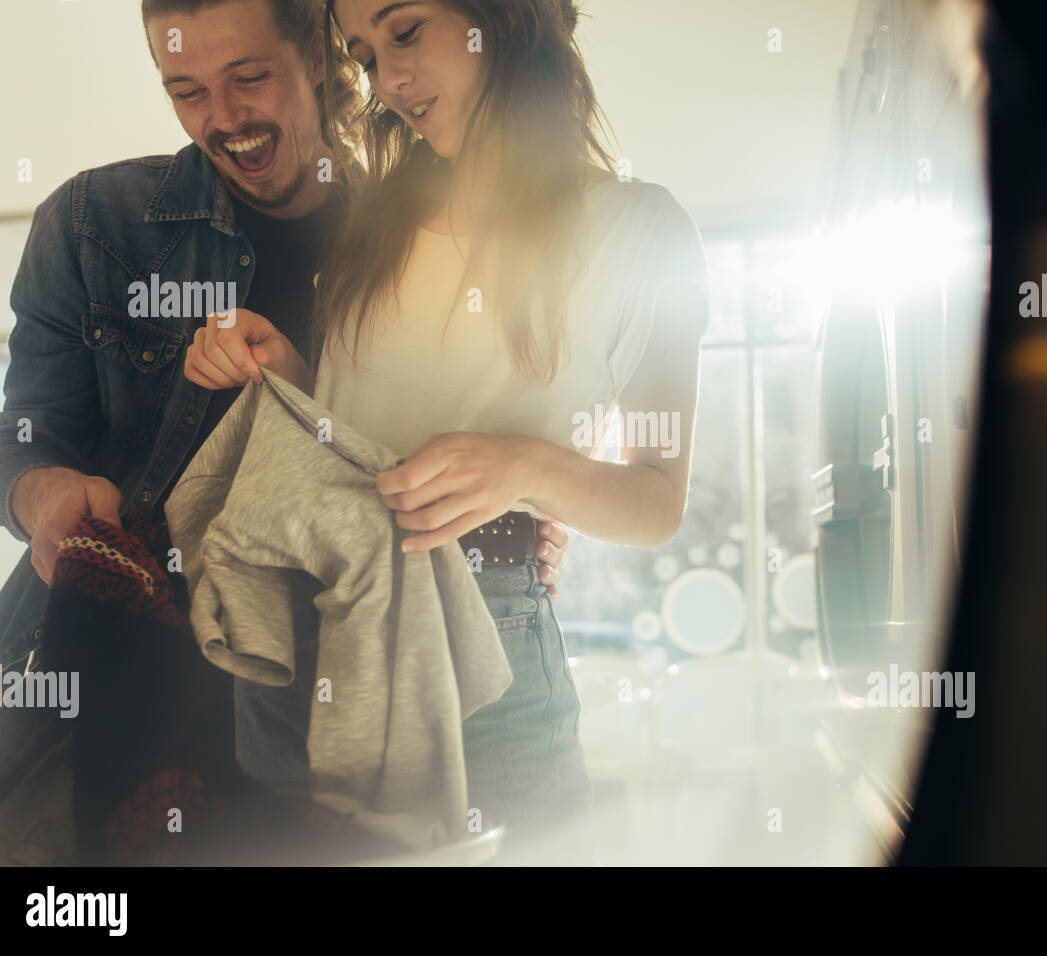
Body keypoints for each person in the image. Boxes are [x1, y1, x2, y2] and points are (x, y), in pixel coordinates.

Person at [0, 0, 567, 862]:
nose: (225, 119)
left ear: (323, 56)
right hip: (120, 686)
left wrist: (520, 511)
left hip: (334, 701)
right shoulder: (90, 226)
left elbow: (420, 459)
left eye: (249, 77)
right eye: (185, 90)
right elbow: (17, 450)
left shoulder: (414, 242)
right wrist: (50, 499)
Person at [184, 0, 709, 864]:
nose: (388, 81)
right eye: (364, 53)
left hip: (484, 628)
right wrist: (293, 378)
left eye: (406, 32)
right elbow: (360, 433)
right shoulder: (368, 224)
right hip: (301, 610)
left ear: (502, 18)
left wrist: (526, 469)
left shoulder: (643, 231)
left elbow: (656, 502)